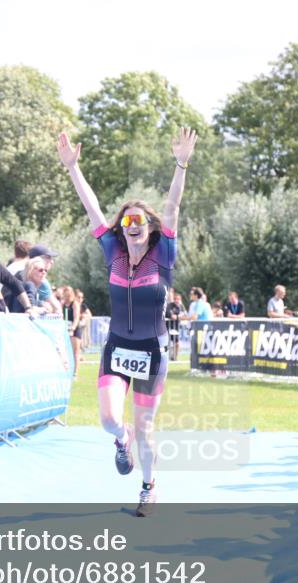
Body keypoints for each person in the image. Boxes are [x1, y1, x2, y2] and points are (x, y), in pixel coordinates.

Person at [57, 126, 197, 517]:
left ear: (150, 228)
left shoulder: (162, 256)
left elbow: (172, 208)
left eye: (140, 220)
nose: (132, 224)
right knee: (108, 421)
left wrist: (181, 163)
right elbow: (92, 208)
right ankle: (122, 440)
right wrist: (72, 168)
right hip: (117, 347)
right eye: (126, 220)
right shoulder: (112, 253)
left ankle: (149, 488)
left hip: (152, 352)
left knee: (147, 427)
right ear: (121, 228)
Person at [165, 289, 184, 361]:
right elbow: (170, 314)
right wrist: (173, 316)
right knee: (165, 344)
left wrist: (178, 316)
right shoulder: (169, 305)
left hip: (176, 328)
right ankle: (166, 358)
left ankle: (175, 357)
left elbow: (184, 315)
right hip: (167, 328)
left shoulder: (181, 306)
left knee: (177, 343)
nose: (177, 300)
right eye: (175, 299)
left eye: (178, 299)